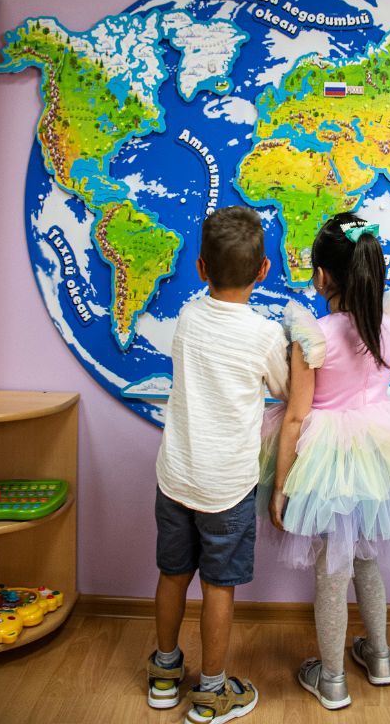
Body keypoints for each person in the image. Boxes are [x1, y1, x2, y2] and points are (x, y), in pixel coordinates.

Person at [263, 212, 390, 710]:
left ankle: (332, 679)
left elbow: (296, 416)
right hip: (379, 450)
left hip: (325, 459)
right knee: (364, 556)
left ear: (322, 276)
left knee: (331, 569)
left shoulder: (314, 336)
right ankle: (380, 656)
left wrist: (280, 486)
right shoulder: (385, 326)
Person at [148, 206, 289, 724]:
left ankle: (164, 674)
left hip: (176, 476)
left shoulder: (188, 316)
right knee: (217, 586)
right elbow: (285, 389)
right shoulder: (265, 336)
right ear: (264, 270)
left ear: (201, 268)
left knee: (172, 574)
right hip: (227, 486)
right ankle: (211, 693)